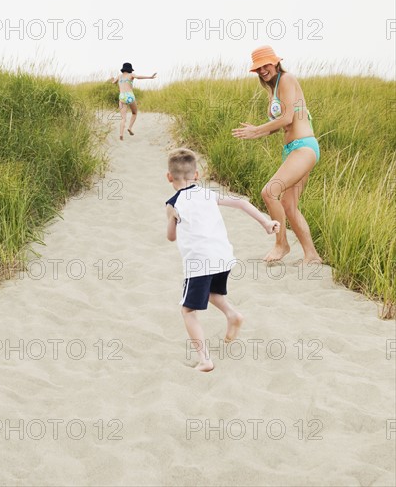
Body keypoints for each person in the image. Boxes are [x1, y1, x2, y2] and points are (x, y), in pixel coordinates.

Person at [165, 148, 280, 372]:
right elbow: (242, 203)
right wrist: (266, 223)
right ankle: (232, 315)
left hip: (199, 262)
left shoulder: (173, 203)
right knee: (212, 293)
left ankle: (204, 359)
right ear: (196, 175)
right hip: (223, 256)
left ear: (169, 177)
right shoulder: (208, 194)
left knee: (188, 311)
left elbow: (171, 237)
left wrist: (171, 218)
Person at [232, 45, 322, 264]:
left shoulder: (287, 79)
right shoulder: (273, 89)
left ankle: (281, 244)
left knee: (268, 192)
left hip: (303, 147)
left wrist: (257, 129)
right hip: (293, 150)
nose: (263, 70)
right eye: (258, 68)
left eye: (266, 65)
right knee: (289, 206)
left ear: (275, 62)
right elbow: (278, 125)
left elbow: (289, 117)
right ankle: (312, 255)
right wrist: (257, 133)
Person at [111, 62, 157, 140]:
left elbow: (113, 82)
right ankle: (130, 128)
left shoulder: (119, 76)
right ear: (130, 69)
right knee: (134, 113)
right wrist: (150, 77)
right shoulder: (131, 75)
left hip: (122, 96)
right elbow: (138, 77)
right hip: (130, 96)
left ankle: (121, 134)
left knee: (123, 118)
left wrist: (112, 79)